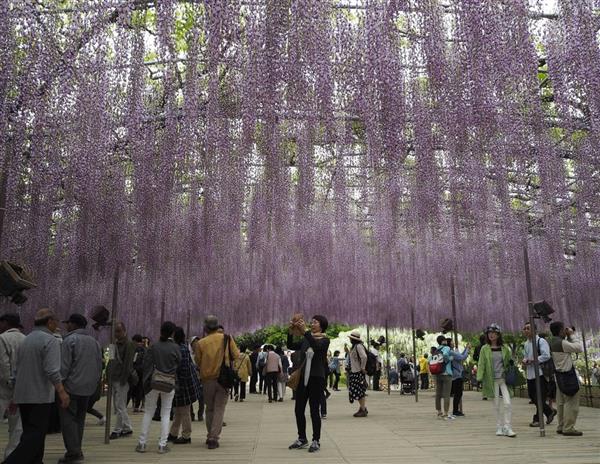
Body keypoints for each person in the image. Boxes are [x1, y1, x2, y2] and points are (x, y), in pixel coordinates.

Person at [4, 309, 70, 464]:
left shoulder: (27, 339)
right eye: (56, 321)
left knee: (32, 435)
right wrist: (62, 392)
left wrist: (15, 396)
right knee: (33, 438)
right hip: (39, 396)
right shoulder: (50, 340)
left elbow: (17, 370)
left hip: (23, 395)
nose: (57, 325)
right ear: (50, 322)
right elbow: (52, 370)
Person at [58, 313, 103, 463]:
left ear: (74, 324)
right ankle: (77, 449)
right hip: (88, 388)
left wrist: (60, 386)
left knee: (68, 420)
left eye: (68, 323)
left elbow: (64, 367)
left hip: (71, 387)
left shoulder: (69, 340)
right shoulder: (94, 342)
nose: (67, 326)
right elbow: (99, 365)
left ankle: (73, 453)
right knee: (80, 419)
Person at [194, 315, 240, 449]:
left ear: (206, 327)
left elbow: (197, 361)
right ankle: (214, 437)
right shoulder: (226, 338)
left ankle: (210, 435)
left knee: (210, 408)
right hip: (223, 379)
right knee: (219, 408)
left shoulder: (201, 343)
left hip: (207, 379)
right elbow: (236, 355)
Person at [136, 321, 181, 454]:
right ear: (172, 333)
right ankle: (162, 445)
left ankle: (142, 443)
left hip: (153, 383)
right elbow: (178, 363)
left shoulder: (153, 346)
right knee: (166, 414)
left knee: (149, 412)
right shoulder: (175, 347)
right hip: (169, 383)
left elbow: (146, 365)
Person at [287, 315, 330, 453]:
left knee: (314, 410)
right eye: (311, 322)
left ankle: (316, 440)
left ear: (322, 325)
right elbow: (291, 345)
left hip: (316, 377)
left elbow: (316, 347)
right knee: (298, 409)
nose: (312, 324)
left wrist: (304, 331)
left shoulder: (325, 339)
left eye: (315, 322)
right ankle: (302, 438)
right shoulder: (307, 338)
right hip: (302, 378)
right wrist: (290, 331)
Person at [476, 324, 516, 437]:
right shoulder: (485, 349)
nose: (491, 335)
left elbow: (508, 363)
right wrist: (479, 377)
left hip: (503, 379)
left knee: (507, 403)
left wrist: (511, 363)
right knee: (497, 404)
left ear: (498, 334)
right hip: (491, 380)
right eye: (489, 333)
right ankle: (499, 426)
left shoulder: (504, 348)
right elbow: (481, 363)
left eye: (494, 333)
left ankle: (507, 427)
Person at [166, 327, 200, 445]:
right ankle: (173, 433)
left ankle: (186, 435)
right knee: (178, 410)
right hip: (180, 384)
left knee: (184, 411)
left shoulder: (182, 349)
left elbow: (184, 369)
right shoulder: (182, 348)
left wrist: (179, 385)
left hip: (183, 384)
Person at [549, 321, 583, 436]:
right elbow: (579, 348)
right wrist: (572, 335)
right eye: (564, 329)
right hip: (568, 375)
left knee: (561, 403)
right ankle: (568, 428)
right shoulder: (562, 343)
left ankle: (561, 426)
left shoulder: (553, 341)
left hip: (559, 376)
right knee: (571, 402)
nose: (565, 331)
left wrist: (567, 337)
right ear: (559, 331)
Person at [0, 313, 25, 459]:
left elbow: (3, 364)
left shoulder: (2, 338)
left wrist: (9, 382)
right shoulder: (26, 339)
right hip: (20, 389)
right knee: (17, 427)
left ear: (6, 323)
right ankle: (11, 455)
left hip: (4, 388)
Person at [522, 322, 556, 427]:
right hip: (530, 373)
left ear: (534, 330)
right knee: (533, 396)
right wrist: (525, 361)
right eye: (525, 328)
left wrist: (533, 360)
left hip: (541, 373)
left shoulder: (540, 341)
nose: (526, 330)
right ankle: (549, 412)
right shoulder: (526, 343)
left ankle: (537, 419)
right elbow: (526, 356)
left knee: (539, 397)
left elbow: (546, 355)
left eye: (528, 328)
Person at [107, 322, 136, 439]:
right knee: (118, 405)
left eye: (119, 331)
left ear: (124, 331)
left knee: (120, 405)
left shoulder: (129, 344)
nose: (117, 334)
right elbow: (110, 360)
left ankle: (117, 430)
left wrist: (124, 379)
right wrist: (108, 376)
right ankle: (127, 427)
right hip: (113, 378)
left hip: (122, 379)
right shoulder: (113, 345)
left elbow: (128, 365)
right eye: (115, 331)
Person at [347, 331, 368, 417]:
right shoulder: (355, 346)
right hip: (355, 371)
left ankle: (363, 409)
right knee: (357, 391)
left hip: (357, 372)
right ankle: (362, 407)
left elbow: (364, 357)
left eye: (351, 339)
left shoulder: (358, 346)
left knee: (359, 391)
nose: (350, 340)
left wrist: (362, 367)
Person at [433, 335, 453, 420]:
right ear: (443, 341)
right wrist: (450, 358)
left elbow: (431, 359)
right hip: (446, 373)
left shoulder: (436, 350)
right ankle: (446, 413)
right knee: (446, 394)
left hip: (438, 373)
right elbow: (445, 355)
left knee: (438, 393)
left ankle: (439, 411)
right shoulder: (446, 348)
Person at [447, 338, 469, 417]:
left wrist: (466, 348)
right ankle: (455, 411)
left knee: (458, 393)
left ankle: (455, 410)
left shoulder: (452, 351)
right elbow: (462, 358)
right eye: (452, 341)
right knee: (458, 394)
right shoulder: (451, 352)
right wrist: (468, 349)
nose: (453, 342)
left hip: (455, 375)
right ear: (449, 343)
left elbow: (461, 356)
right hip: (456, 375)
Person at [189, 336, 204, 421]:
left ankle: (200, 414)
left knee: (202, 397)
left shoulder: (202, 354)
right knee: (190, 398)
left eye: (198, 343)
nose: (196, 345)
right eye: (194, 343)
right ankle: (191, 414)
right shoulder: (188, 354)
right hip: (191, 378)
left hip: (201, 378)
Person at [130, 334, 146, 412]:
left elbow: (133, 360)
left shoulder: (135, 349)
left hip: (136, 370)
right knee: (140, 388)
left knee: (133, 388)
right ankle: (137, 405)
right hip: (143, 371)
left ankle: (134, 404)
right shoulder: (145, 349)